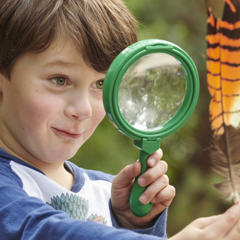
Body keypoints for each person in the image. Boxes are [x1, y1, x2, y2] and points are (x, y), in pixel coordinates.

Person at [0, 0, 239, 240]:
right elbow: (40, 231)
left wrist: (132, 224)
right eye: (60, 80)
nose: (83, 109)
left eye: (101, 84)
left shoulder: (107, 193)